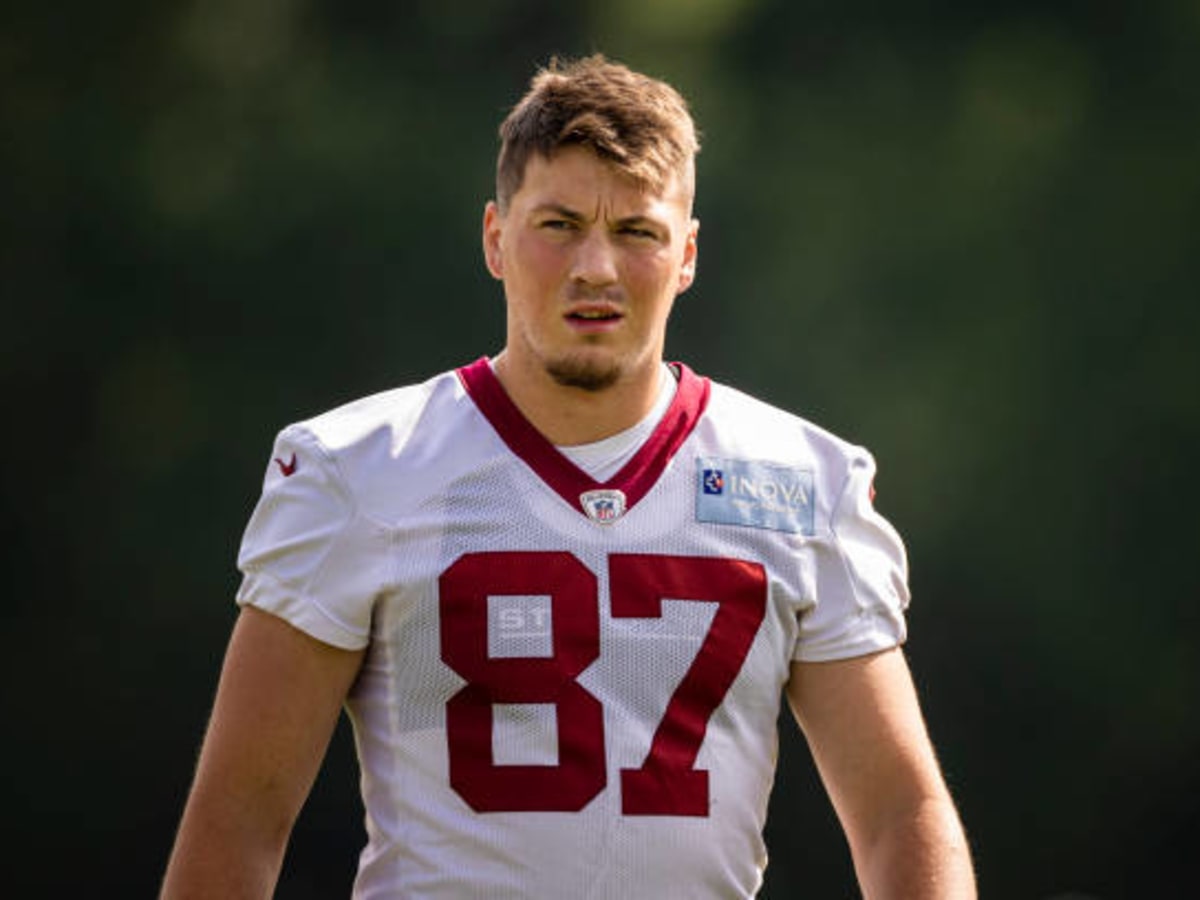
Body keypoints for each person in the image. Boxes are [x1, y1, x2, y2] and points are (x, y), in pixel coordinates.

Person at [159, 54, 976, 899]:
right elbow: (239, 819)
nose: (596, 267)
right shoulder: (361, 467)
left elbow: (897, 811)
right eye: (559, 224)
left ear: (687, 254)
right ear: (495, 238)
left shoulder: (801, 481)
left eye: (636, 232)